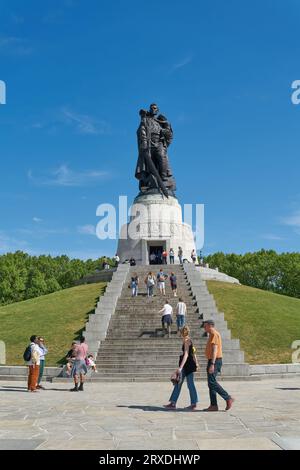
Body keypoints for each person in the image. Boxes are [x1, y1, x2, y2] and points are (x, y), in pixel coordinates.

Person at [164, 326, 199, 410]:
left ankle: (175, 403)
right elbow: (193, 353)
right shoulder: (189, 340)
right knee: (187, 384)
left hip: (187, 366)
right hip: (190, 365)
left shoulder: (186, 341)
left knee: (183, 383)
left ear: (182, 333)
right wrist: (196, 363)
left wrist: (180, 367)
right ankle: (190, 403)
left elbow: (186, 354)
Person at [203, 320, 234, 411]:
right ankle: (213, 405)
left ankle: (228, 398)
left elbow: (215, 349)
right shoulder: (212, 334)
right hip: (212, 360)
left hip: (215, 361)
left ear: (210, 325)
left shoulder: (214, 334)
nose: (204, 328)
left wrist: (212, 364)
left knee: (212, 382)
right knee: (210, 383)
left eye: (205, 326)